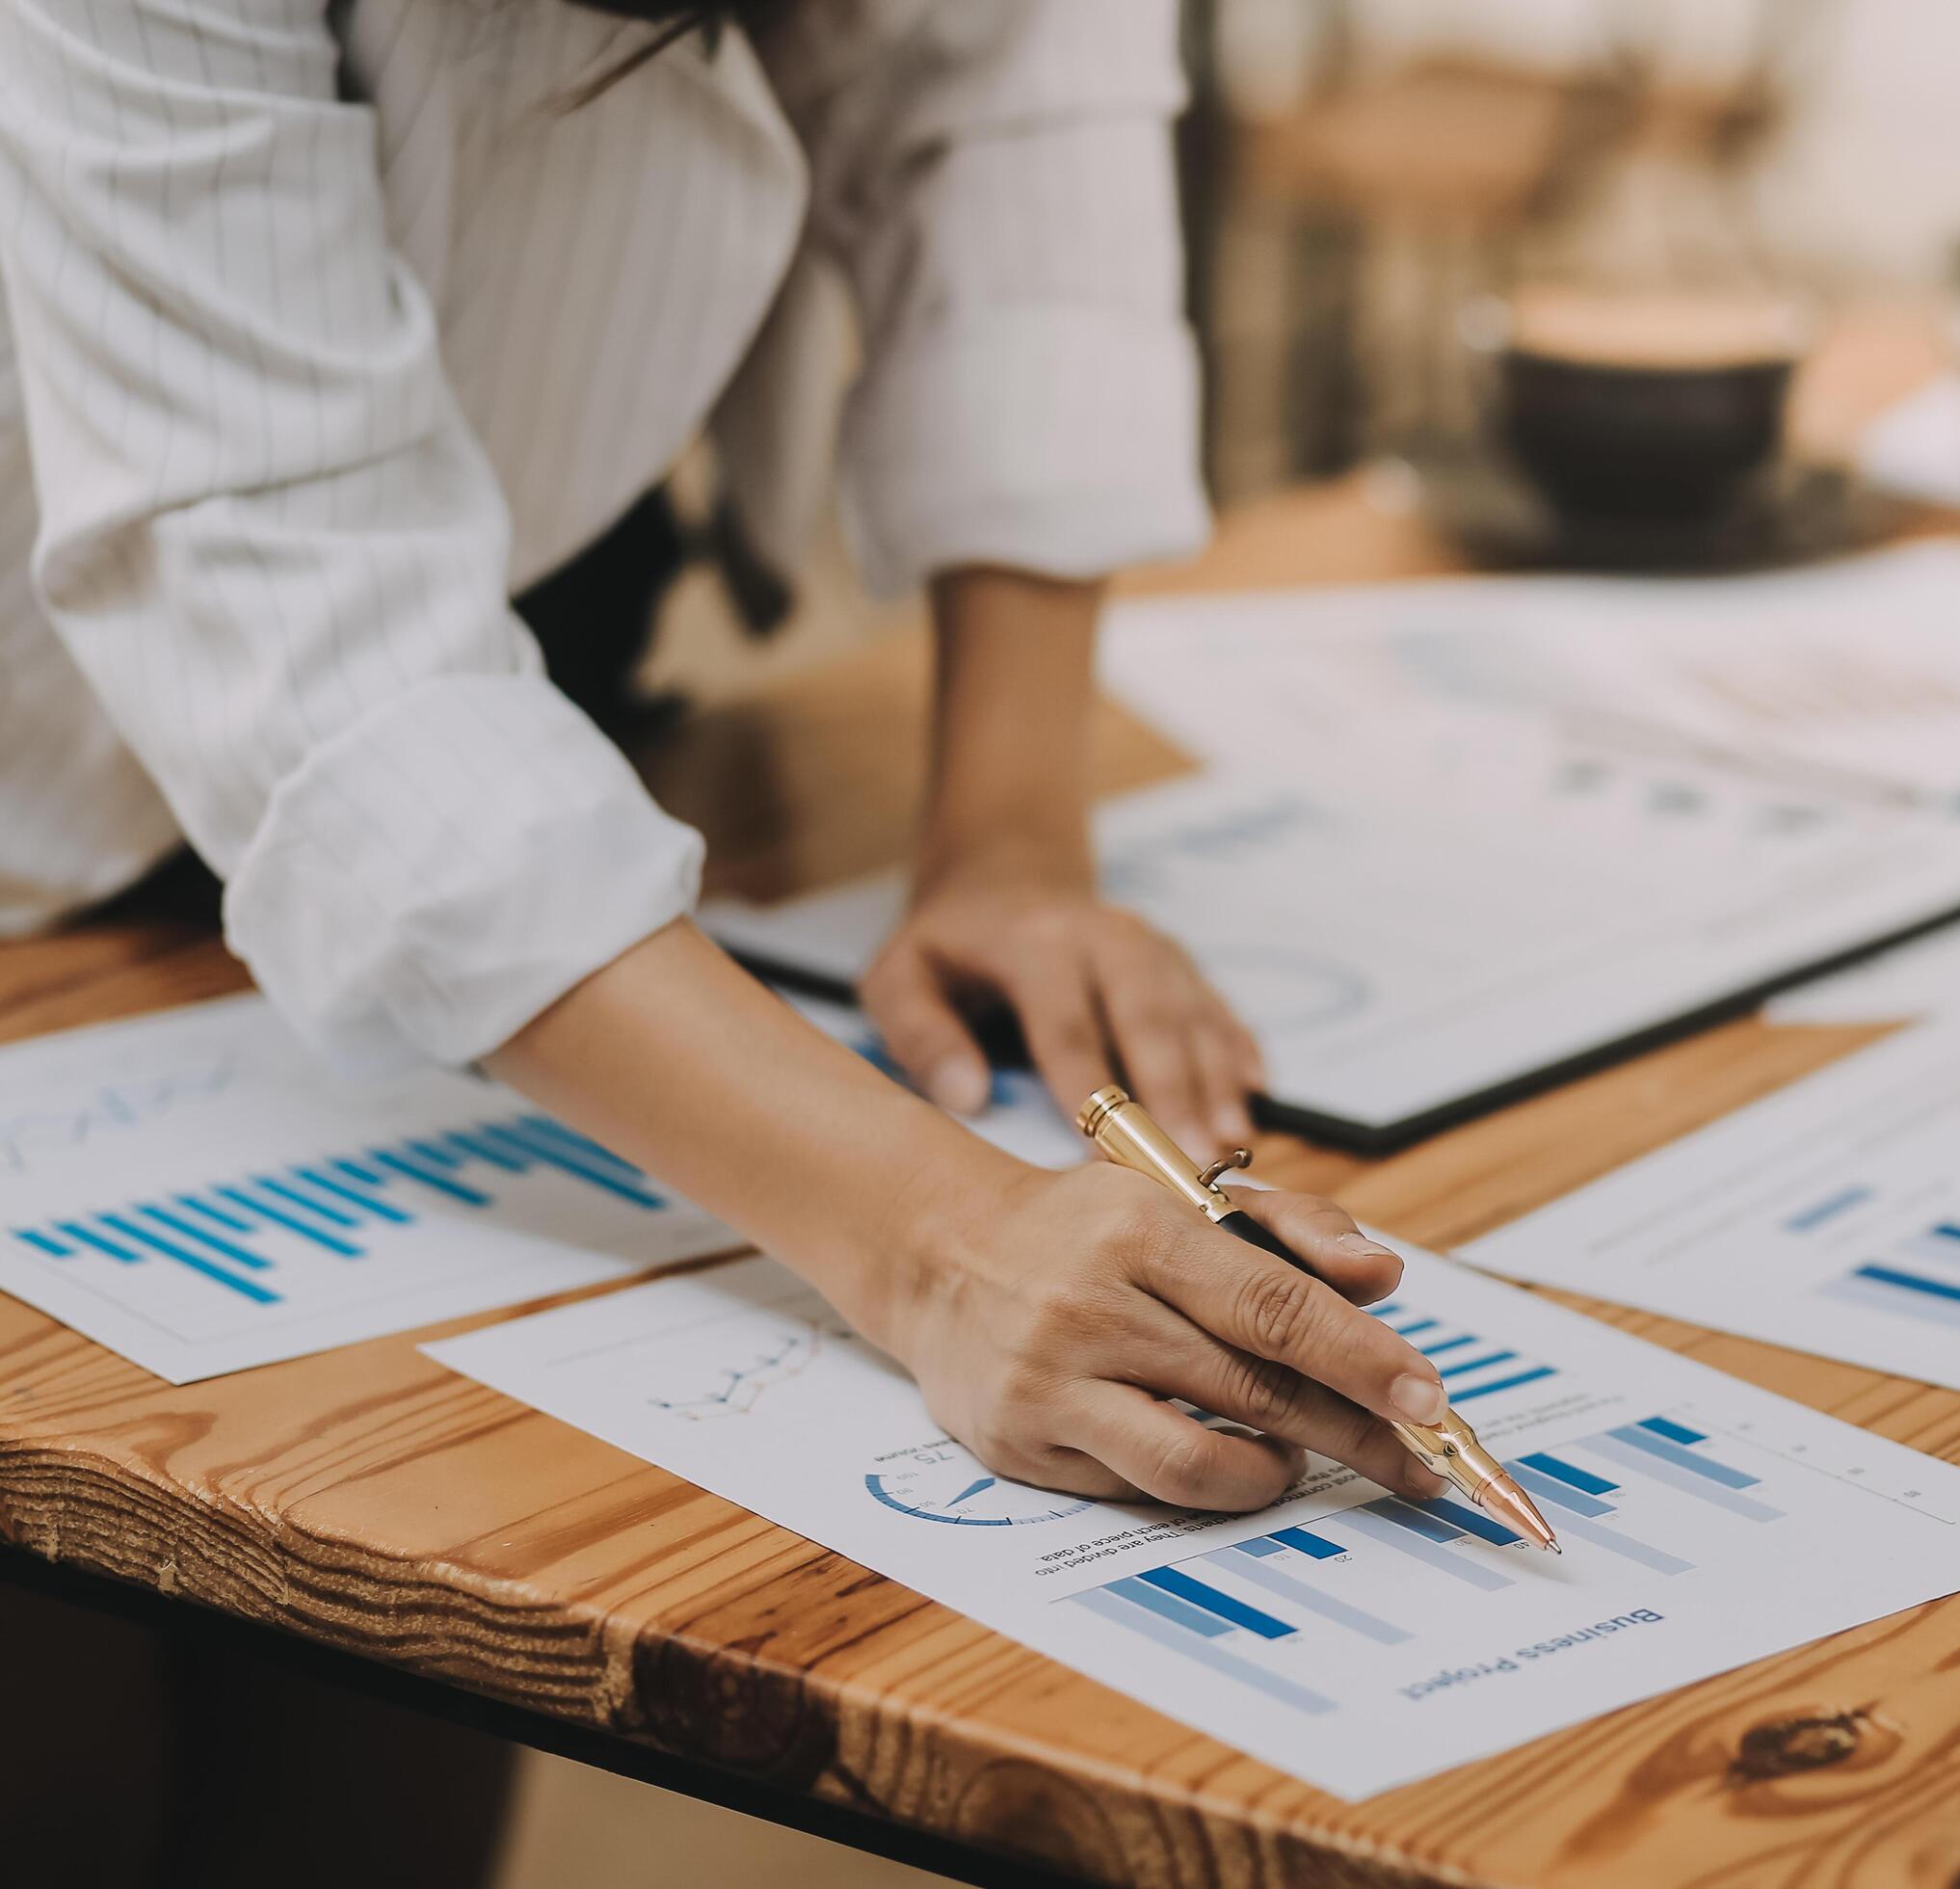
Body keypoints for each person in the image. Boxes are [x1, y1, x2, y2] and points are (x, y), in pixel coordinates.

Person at [0, 0, 1460, 1520]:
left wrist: (1010, 843)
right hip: (54, 739)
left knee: (433, 1523)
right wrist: (934, 1242)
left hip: (512, 591)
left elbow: (1013, 89)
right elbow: (276, 572)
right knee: (125, 1550)